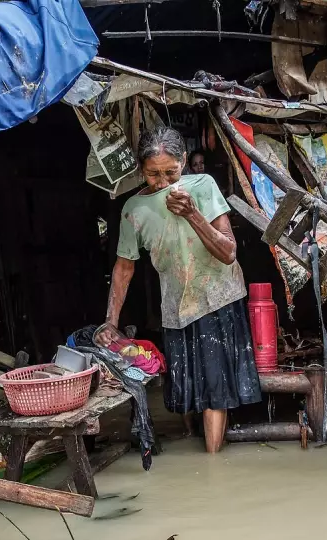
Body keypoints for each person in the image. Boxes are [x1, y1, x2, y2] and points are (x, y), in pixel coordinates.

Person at [99, 127, 261, 453]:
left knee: (215, 390)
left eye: (170, 172)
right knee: (186, 391)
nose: (162, 182)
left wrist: (192, 214)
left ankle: (212, 465)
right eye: (153, 174)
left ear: (183, 161)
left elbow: (228, 253)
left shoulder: (203, 186)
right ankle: (195, 443)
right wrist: (110, 322)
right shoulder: (133, 209)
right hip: (176, 305)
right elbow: (124, 267)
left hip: (217, 297)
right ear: (140, 169)